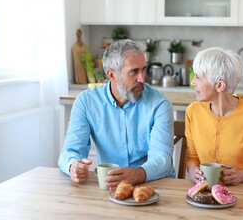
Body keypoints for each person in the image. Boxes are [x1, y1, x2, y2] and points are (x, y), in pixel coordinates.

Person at [58, 39, 175, 190]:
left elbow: (162, 159)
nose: (142, 79)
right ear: (112, 75)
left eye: (143, 70)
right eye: (134, 72)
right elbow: (69, 152)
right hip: (111, 188)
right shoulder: (86, 101)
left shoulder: (159, 103)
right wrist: (73, 166)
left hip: (156, 186)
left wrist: (138, 174)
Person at [186, 47, 243, 186]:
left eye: (198, 77)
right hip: (204, 195)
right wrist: (192, 170)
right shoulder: (193, 112)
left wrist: (241, 176)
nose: (193, 83)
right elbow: (193, 158)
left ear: (220, 85)